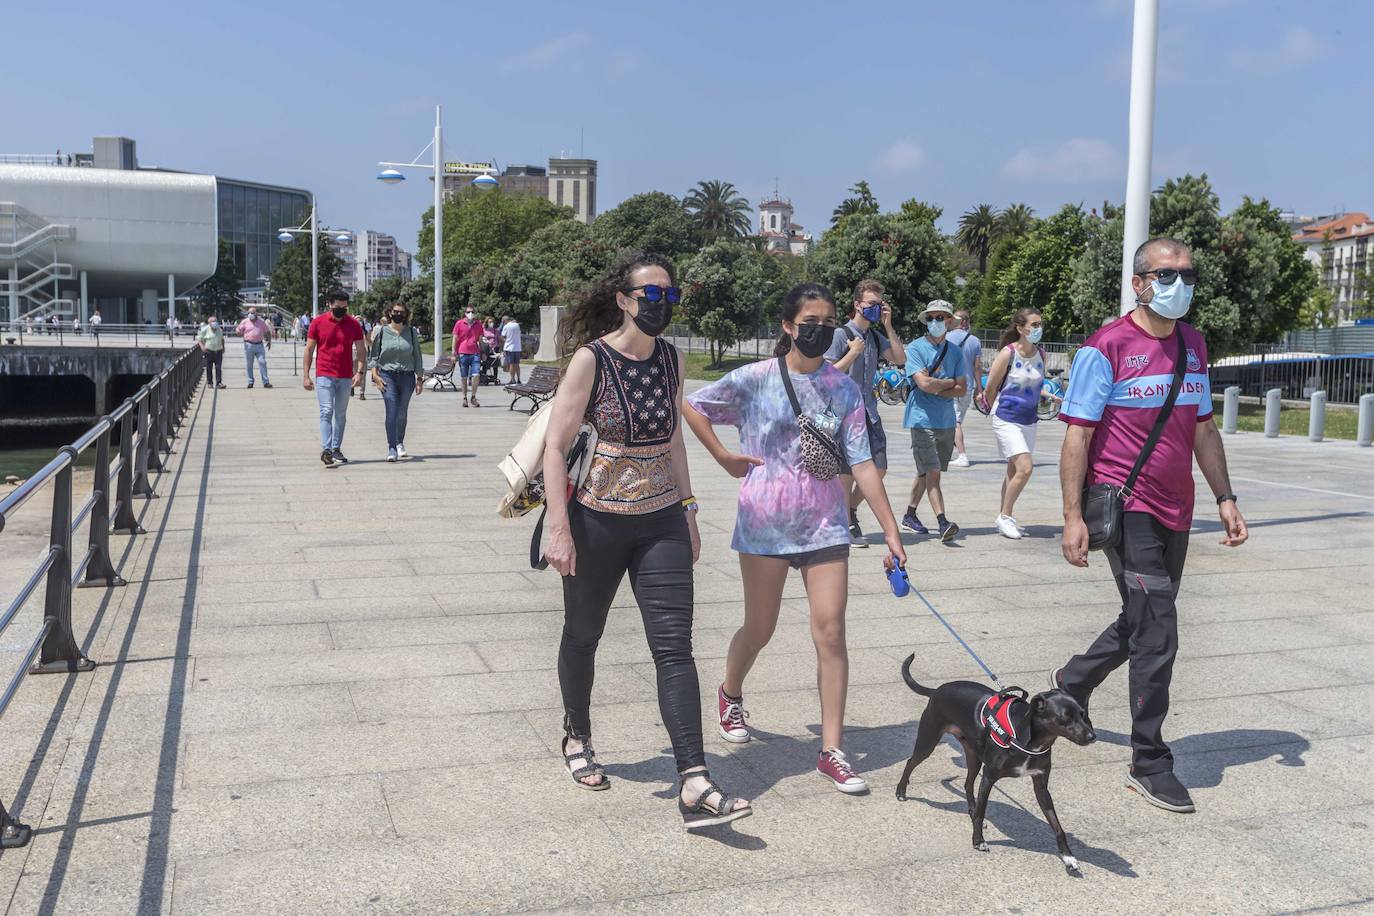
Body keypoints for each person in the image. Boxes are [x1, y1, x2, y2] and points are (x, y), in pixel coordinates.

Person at [542, 252, 751, 830]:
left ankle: (695, 780)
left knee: (674, 648)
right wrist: (559, 527)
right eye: (650, 296)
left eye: (670, 297)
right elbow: (556, 447)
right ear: (625, 299)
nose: (660, 306)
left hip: (660, 520)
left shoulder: (671, 359)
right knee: (583, 634)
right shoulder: (592, 360)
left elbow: (676, 441)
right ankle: (576, 735)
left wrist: (688, 509)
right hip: (597, 520)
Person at [685, 282, 908, 795]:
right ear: (787, 326)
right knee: (759, 628)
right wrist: (723, 455)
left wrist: (890, 531)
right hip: (764, 522)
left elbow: (862, 463)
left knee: (830, 632)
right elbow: (694, 405)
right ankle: (730, 692)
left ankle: (832, 749)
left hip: (826, 525)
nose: (819, 331)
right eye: (810, 322)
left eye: (827, 322)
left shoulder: (843, 388)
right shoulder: (754, 379)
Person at [1055, 237, 1248, 814]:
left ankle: (1073, 682)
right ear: (1139, 282)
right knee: (1158, 630)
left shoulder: (1194, 343)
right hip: (1126, 504)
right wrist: (1071, 517)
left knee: (1144, 617)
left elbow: (1204, 429)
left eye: (1188, 274)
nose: (1180, 284)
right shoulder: (1105, 348)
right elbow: (1078, 437)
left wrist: (1226, 498)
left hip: (1179, 506)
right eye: (1167, 274)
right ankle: (1149, 759)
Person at [822, 279, 905, 548]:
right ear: (857, 304)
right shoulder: (840, 334)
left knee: (879, 469)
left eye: (879, 305)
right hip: (844, 415)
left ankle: (850, 510)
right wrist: (852, 353)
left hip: (869, 413)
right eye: (871, 304)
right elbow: (827, 375)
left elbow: (900, 358)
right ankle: (844, 522)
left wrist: (889, 326)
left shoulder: (874, 337)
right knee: (846, 473)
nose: (876, 309)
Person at [901, 300, 966, 542]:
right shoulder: (916, 348)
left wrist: (940, 386)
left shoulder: (956, 352)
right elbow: (923, 384)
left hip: (946, 420)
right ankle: (943, 522)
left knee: (925, 472)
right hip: (921, 419)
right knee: (933, 472)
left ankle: (909, 515)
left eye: (940, 317)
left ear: (950, 321)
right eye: (931, 318)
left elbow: (962, 389)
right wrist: (949, 382)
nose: (935, 322)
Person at [983, 309, 1045, 539]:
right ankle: (1005, 516)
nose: (1039, 329)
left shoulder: (1042, 354)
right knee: (1025, 468)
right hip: (1006, 418)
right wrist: (986, 406)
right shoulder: (1007, 354)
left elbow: (1035, 382)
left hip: (1029, 420)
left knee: (1013, 469)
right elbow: (991, 386)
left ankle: (1004, 515)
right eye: (1034, 325)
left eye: (1040, 324)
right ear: (1021, 328)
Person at [304, 292, 366, 467]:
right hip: (324, 374)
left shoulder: (353, 324)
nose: (341, 310)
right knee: (326, 411)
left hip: (345, 376)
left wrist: (359, 372)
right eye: (338, 307)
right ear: (330, 305)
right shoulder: (317, 322)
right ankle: (327, 449)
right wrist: (306, 375)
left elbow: (361, 350)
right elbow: (309, 349)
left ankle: (336, 447)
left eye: (344, 307)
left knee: (340, 414)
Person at [368, 302, 424, 462]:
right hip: (387, 376)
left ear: (405, 314)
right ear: (390, 313)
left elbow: (418, 357)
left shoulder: (412, 333)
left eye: (401, 312)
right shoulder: (382, 332)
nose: (398, 314)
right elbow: (374, 356)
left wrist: (419, 379)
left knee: (402, 412)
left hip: (407, 377)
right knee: (391, 410)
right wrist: (375, 376)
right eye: (395, 311)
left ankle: (400, 442)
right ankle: (391, 447)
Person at [945, 309, 983, 468]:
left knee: (954, 421)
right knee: (955, 419)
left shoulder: (945, 338)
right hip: (968, 386)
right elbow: (978, 367)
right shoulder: (975, 341)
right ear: (966, 322)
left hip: (951, 384)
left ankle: (962, 455)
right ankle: (948, 452)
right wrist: (980, 388)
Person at [452, 307, 483, 407]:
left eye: (472, 312)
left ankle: (473, 397)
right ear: (465, 313)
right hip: (463, 353)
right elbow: (455, 338)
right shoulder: (460, 323)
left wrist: (483, 352)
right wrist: (453, 352)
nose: (470, 313)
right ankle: (464, 397)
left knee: (476, 375)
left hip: (475, 353)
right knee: (464, 377)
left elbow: (480, 339)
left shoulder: (478, 324)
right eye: (468, 312)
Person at [237, 307, 273, 389]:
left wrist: (269, 341)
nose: (251, 314)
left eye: (252, 313)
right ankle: (250, 382)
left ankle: (266, 382)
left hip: (259, 345)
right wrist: (239, 331)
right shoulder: (245, 321)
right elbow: (238, 330)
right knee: (249, 364)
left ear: (256, 313)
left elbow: (267, 332)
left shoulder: (261, 322)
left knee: (262, 362)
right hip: (248, 345)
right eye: (249, 313)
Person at [196, 314, 226, 388]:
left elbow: (222, 339)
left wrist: (223, 347)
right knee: (209, 368)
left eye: (215, 321)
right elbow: (199, 338)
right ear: (209, 323)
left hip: (218, 351)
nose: (215, 322)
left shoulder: (219, 329)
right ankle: (210, 383)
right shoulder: (205, 329)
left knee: (218, 367)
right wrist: (202, 346)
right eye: (213, 321)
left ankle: (219, 383)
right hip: (209, 351)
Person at [500, 314, 523, 384]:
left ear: (504, 321)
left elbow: (502, 336)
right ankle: (519, 379)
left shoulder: (506, 326)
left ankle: (512, 379)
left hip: (509, 347)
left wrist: (505, 340)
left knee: (511, 364)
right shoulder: (516, 325)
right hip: (517, 347)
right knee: (517, 364)